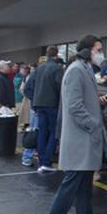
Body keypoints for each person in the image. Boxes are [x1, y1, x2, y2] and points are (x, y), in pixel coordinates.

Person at [36, 35, 107, 214]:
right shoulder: (76, 71)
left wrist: (96, 102)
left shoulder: (85, 69)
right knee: (70, 187)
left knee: (83, 188)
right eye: (98, 49)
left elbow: (81, 101)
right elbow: (74, 106)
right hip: (81, 140)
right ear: (87, 51)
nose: (101, 53)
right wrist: (94, 125)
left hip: (85, 140)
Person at [33, 46, 64, 174]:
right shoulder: (57, 68)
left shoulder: (39, 68)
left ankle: (41, 161)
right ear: (56, 55)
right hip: (52, 104)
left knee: (42, 132)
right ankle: (46, 161)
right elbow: (60, 87)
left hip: (39, 103)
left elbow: (33, 85)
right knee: (53, 132)